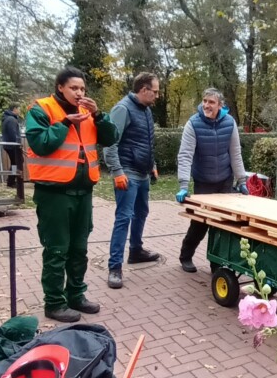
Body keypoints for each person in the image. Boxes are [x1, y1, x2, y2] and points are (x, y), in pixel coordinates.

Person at [26, 67, 119, 323]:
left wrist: (98, 115)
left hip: (83, 191)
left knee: (79, 248)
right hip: (53, 193)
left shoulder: (88, 112)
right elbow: (41, 144)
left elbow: (111, 138)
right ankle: (54, 303)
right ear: (60, 87)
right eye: (73, 88)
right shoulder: (41, 109)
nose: (79, 93)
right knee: (57, 250)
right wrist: (66, 123)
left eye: (82, 89)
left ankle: (76, 294)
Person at [175, 88, 249, 272]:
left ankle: (217, 263)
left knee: (223, 224)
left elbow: (235, 153)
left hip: (225, 180)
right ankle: (186, 256)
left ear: (220, 105)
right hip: (203, 181)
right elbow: (185, 155)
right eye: (205, 101)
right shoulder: (193, 124)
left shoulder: (229, 123)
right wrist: (183, 185)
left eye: (211, 102)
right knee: (200, 223)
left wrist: (241, 181)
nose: (206, 105)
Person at [105, 72, 161, 289]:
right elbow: (109, 144)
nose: (157, 95)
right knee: (123, 218)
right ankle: (114, 267)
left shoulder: (146, 110)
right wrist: (117, 172)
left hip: (143, 173)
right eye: (155, 91)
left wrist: (152, 164)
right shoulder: (123, 109)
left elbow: (146, 141)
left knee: (141, 212)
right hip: (127, 173)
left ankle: (136, 251)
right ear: (144, 89)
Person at [1, 103, 23, 188]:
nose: (19, 111)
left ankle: (11, 181)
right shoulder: (11, 119)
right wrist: (18, 144)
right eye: (18, 109)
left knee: (15, 162)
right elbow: (13, 133)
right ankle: (11, 181)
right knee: (17, 162)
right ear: (14, 109)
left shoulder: (8, 118)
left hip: (9, 145)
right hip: (12, 145)